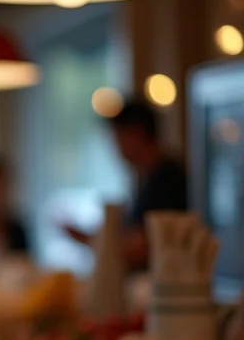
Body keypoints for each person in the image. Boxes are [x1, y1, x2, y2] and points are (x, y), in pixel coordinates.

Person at [62, 100, 187, 271]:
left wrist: (87, 238)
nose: (115, 147)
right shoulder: (147, 178)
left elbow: (144, 246)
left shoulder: (168, 179)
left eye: (117, 136)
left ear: (135, 134)